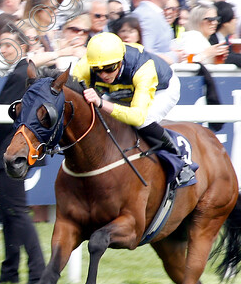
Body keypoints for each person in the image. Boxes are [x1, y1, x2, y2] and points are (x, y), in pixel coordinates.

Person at [75, 32, 196, 188]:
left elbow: (137, 117)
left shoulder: (143, 69)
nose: (104, 75)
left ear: (120, 62)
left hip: (162, 88)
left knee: (143, 121)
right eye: (98, 71)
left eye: (109, 68)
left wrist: (100, 103)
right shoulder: (84, 66)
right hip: (120, 91)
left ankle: (180, 161)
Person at [0, 26, 45, 284]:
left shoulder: (21, 73)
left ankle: (38, 272)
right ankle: (9, 271)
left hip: (12, 150)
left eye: (9, 45)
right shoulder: (25, 70)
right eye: (1, 46)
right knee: (8, 211)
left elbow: (5, 115)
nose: (4, 50)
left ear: (23, 46)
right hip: (16, 149)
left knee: (16, 211)